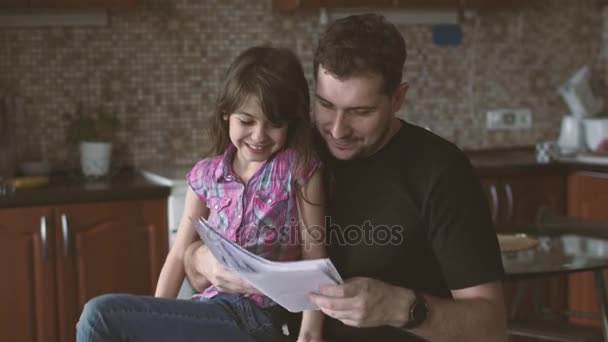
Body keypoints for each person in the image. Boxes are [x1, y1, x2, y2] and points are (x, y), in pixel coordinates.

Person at [183, 13, 507, 342]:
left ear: (398, 99)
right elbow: (205, 276)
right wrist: (199, 261)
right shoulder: (286, 153)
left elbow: (491, 327)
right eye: (326, 104)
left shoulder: (442, 171)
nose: (337, 130)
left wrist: (401, 307)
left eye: (360, 112)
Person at [76, 45, 328, 342]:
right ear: (226, 115)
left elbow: (315, 258)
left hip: (257, 321)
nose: (259, 135)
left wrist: (310, 334)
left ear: (290, 123)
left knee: (99, 317)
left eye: (274, 124)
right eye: (246, 121)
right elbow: (180, 254)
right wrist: (156, 320)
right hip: (208, 311)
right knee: (100, 319)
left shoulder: (298, 169)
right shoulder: (205, 176)